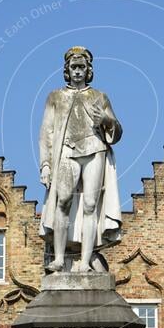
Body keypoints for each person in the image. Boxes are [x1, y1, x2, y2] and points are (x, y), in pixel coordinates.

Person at [39, 46, 122, 272]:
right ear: (67, 69)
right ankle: (58, 258)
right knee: (63, 201)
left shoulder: (99, 97)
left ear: (88, 70)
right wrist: (45, 164)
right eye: (73, 67)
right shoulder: (55, 97)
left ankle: (85, 262)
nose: (77, 71)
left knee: (90, 205)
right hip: (67, 151)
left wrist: (106, 119)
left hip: (94, 150)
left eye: (81, 67)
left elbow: (116, 130)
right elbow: (46, 133)